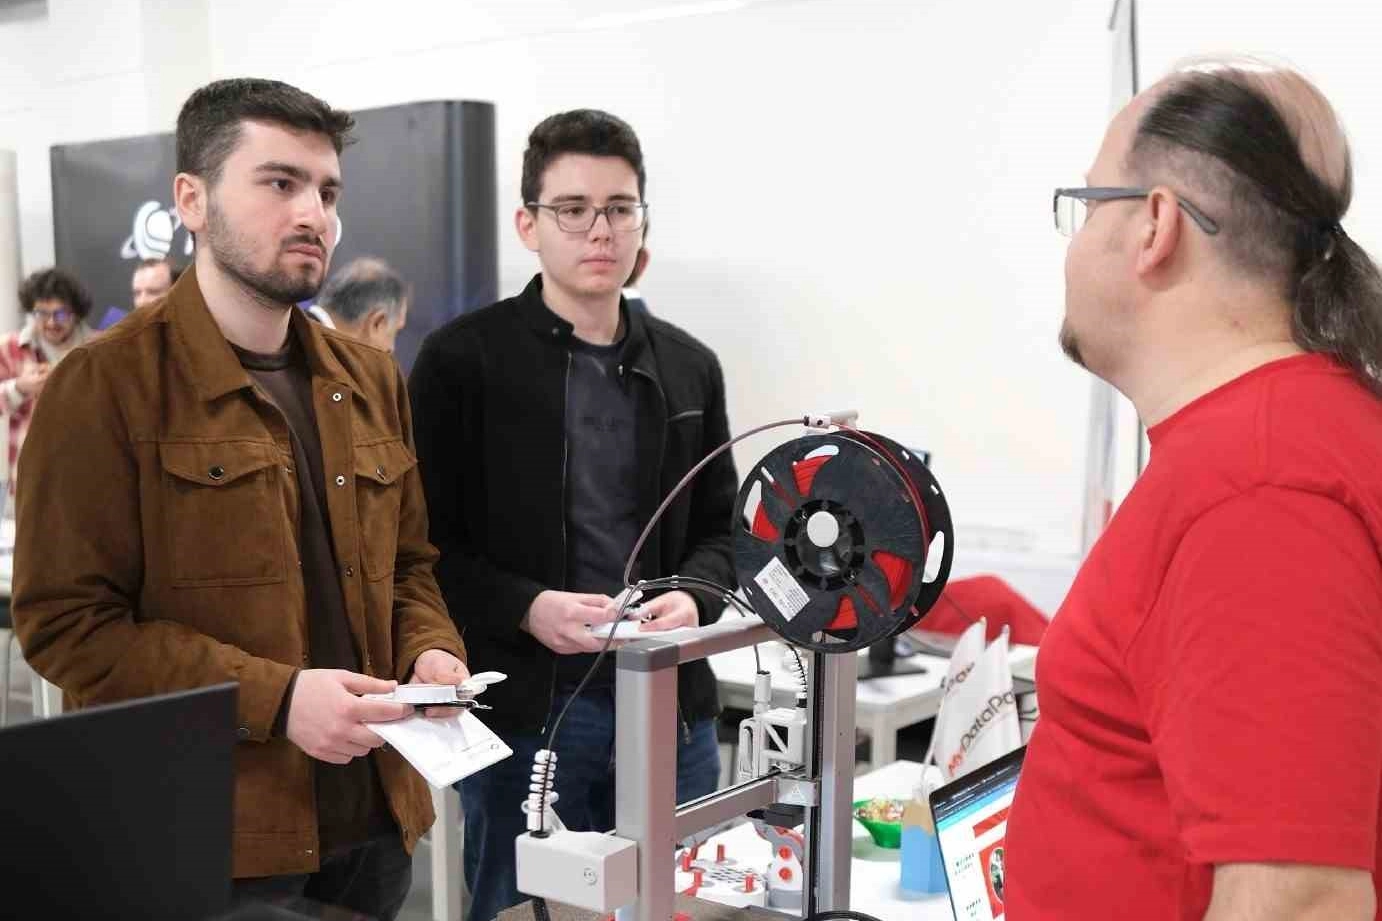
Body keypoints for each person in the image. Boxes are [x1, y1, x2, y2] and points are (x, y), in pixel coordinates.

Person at [11, 77, 470, 921]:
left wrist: (428, 649)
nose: (313, 214)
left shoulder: (370, 379)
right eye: (280, 183)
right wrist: (279, 700)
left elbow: (409, 565)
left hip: (374, 821)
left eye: (327, 191)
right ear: (191, 199)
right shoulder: (104, 384)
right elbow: (67, 625)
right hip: (211, 838)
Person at [1005, 59, 1382, 920]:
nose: (1074, 244)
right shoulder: (1281, 439)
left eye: (1087, 204)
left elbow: (1302, 902)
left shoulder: (1259, 488)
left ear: (1155, 226)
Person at [409, 109, 738, 921]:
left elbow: (724, 530)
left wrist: (694, 596)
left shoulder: (689, 366)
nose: (600, 229)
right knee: (528, 908)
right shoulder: (463, 362)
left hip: (671, 705)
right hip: (533, 710)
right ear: (528, 225)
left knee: (682, 903)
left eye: (620, 208)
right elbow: (420, 547)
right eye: (573, 208)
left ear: (642, 222)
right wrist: (526, 606)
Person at [0, 267, 94, 492]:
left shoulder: (100, 348)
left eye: (61, 314)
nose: (52, 322)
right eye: (42, 314)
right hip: (29, 480)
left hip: (89, 476)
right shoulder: (10, 348)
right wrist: (20, 387)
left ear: (76, 313)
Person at [307, 257, 409, 352]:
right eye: (396, 332)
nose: (391, 348)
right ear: (377, 323)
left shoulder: (304, 333)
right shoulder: (316, 355)